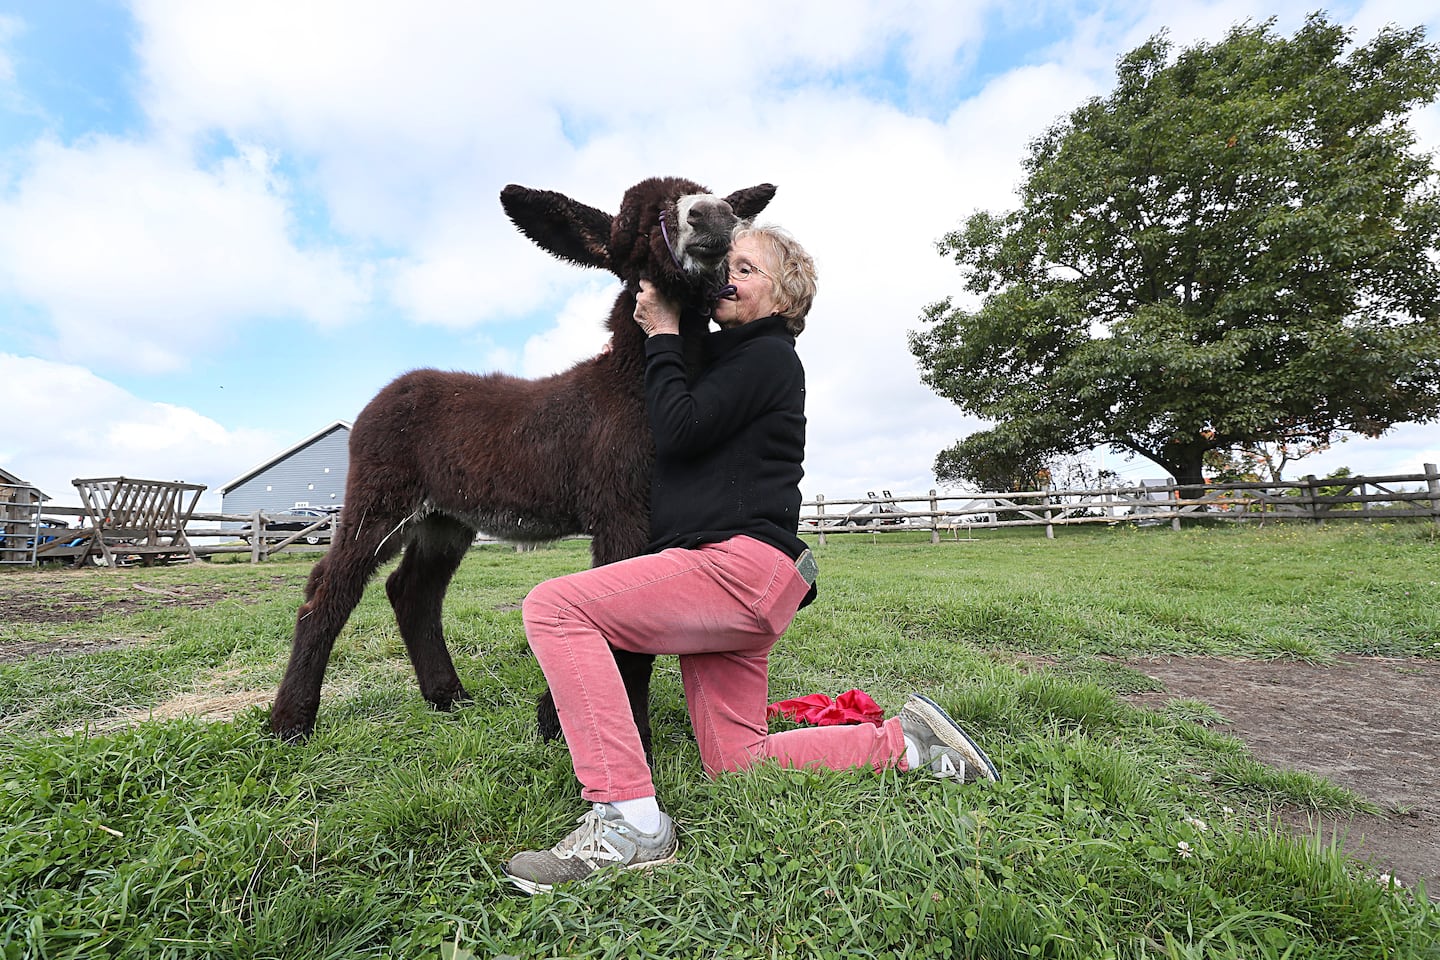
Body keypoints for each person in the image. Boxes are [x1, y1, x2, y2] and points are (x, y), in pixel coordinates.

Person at [503, 223, 997, 895]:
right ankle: (912, 744)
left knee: (555, 607)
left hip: (735, 570)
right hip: (742, 583)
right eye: (723, 264)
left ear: (784, 295)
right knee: (737, 759)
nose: (725, 275)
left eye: (746, 266)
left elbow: (677, 430)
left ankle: (627, 820)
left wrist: (664, 338)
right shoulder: (737, 358)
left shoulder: (767, 358)